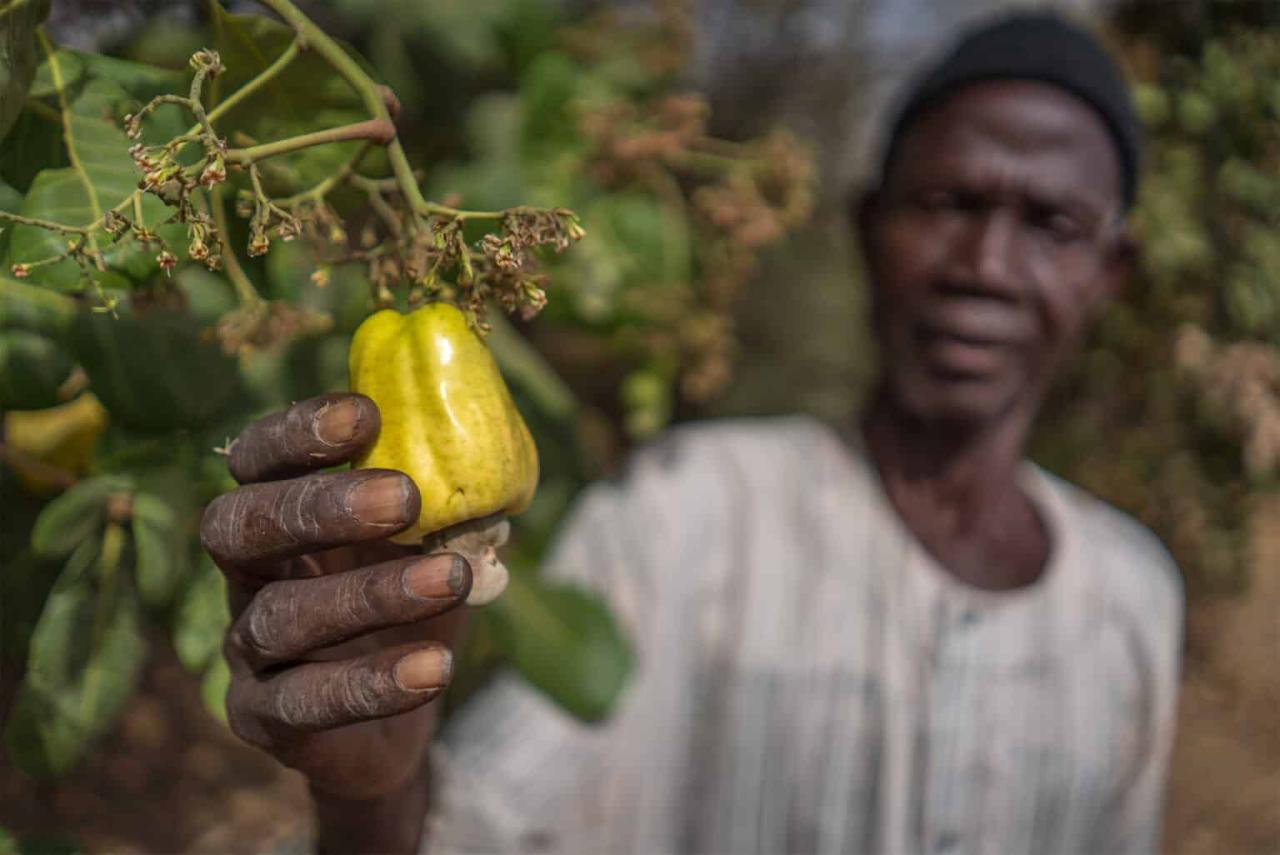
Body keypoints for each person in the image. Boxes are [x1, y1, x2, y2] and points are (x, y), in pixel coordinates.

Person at [200, 11, 1184, 855]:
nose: (984, 263)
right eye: (946, 203)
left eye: (1049, 223)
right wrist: (372, 799)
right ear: (866, 223)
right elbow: (493, 824)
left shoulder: (1134, 599)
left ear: (1111, 271)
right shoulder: (684, 512)